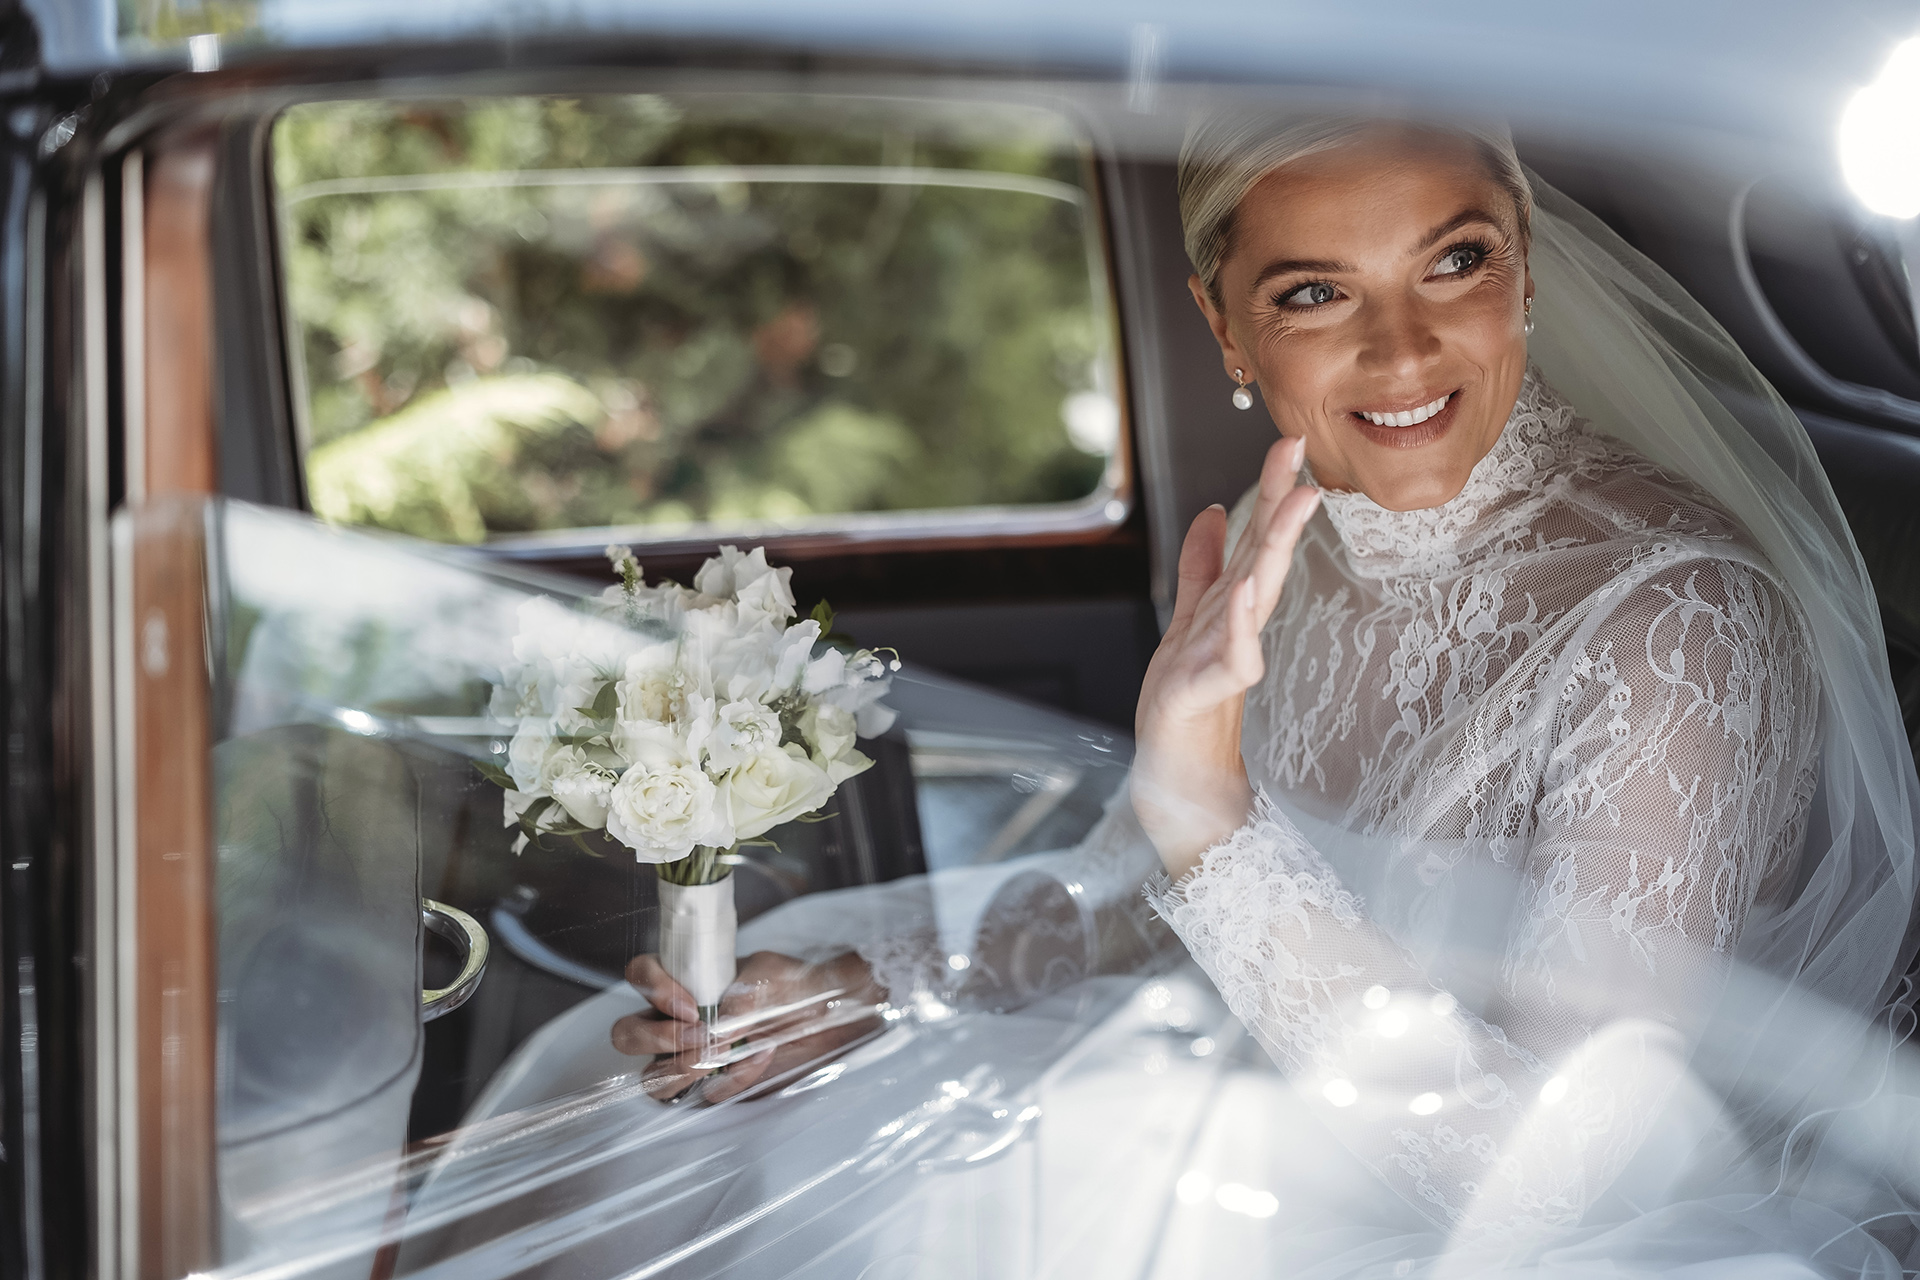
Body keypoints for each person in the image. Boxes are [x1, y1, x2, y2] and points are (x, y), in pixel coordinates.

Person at [595, 112, 1920, 1276]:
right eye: (1315, 294)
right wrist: (868, 987)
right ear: (1223, 322)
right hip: (1250, 1105)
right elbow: (1135, 904)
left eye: (1456, 261)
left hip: (1503, 1233)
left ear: (1526, 271)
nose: (1404, 354)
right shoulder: (1296, 538)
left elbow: (1552, 1182)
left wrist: (1213, 818)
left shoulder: (1675, 618)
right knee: (735, 1124)